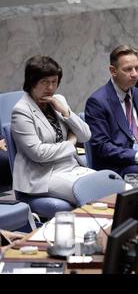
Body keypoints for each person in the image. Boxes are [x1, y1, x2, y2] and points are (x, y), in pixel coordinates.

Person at [11, 55, 94, 204]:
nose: (50, 88)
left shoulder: (58, 100)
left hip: (71, 167)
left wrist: (66, 113)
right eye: (44, 82)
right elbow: (39, 153)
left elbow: (86, 135)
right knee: (93, 193)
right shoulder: (21, 110)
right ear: (32, 82)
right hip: (43, 175)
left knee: (118, 187)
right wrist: (71, 142)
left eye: (54, 82)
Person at [85, 45, 138, 183]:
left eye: (137, 68)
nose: (135, 74)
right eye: (128, 69)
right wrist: (137, 155)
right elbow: (102, 147)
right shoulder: (97, 102)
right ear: (113, 71)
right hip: (119, 165)